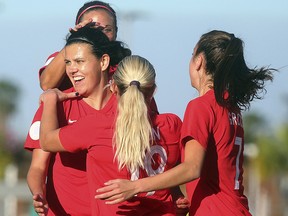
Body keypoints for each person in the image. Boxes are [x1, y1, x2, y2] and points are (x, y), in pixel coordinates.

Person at [95, 30, 275, 216]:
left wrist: (135, 186)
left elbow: (192, 168)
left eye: (192, 54)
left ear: (199, 61)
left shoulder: (201, 106)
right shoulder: (231, 107)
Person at [39, 55, 189, 215]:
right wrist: (176, 193)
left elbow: (47, 141)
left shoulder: (96, 126)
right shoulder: (172, 125)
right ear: (153, 90)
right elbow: (184, 169)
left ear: (113, 87)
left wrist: (50, 100)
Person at [25, 26, 131, 215]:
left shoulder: (128, 103)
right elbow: (37, 167)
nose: (72, 70)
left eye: (80, 61)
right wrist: (38, 192)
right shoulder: (54, 105)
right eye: (68, 62)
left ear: (104, 61)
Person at [39, 1, 118, 91]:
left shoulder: (123, 63)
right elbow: (46, 84)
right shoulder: (61, 58)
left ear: (116, 32)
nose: (100, 35)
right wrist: (75, 40)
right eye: (92, 29)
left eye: (107, 30)